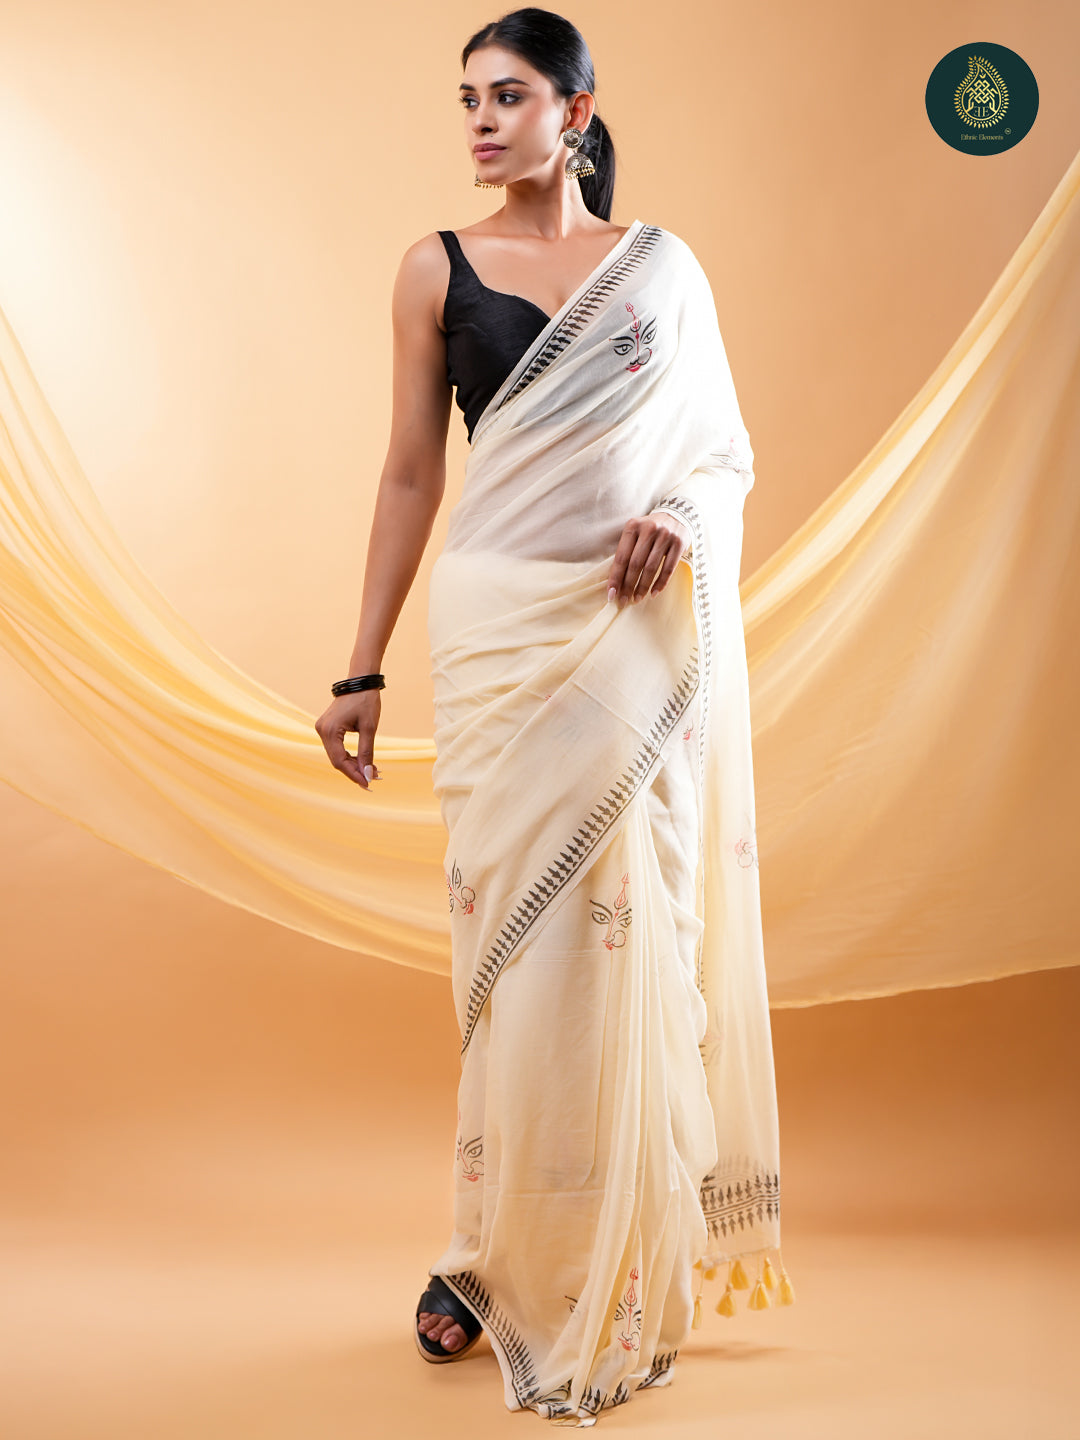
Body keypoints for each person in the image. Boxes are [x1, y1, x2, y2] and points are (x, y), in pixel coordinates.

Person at [315, 7, 794, 1427]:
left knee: (632, 930)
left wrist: (679, 519)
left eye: (507, 95)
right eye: (467, 97)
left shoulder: (661, 271)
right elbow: (410, 473)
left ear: (574, 113)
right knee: (508, 954)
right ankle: (486, 1255)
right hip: (495, 637)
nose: (479, 120)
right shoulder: (434, 268)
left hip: (628, 632)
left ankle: (628, 1240)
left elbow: (722, 452)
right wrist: (360, 668)